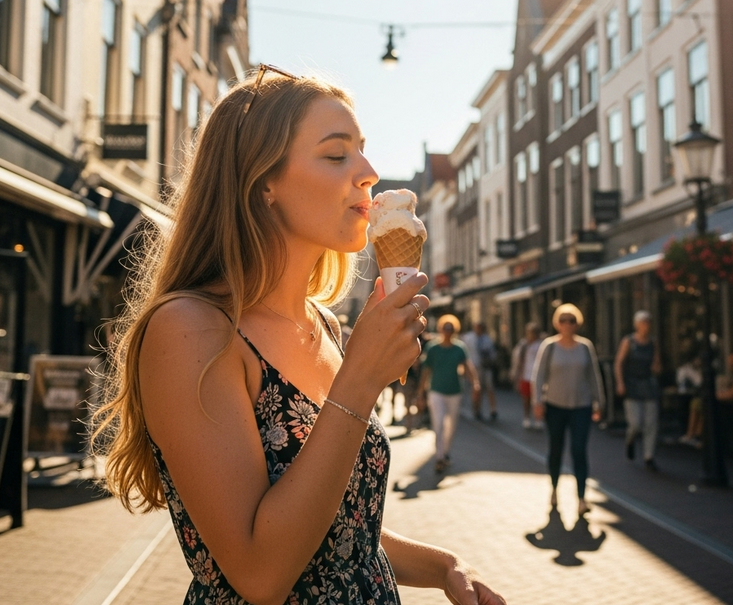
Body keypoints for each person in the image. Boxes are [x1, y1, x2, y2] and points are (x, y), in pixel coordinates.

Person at [90, 66, 505, 605]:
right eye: (337, 155)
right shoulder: (192, 329)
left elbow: (338, 528)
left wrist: (445, 566)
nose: (369, 173)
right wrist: (360, 380)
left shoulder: (324, 324)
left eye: (363, 151)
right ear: (263, 181)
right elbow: (260, 573)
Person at [531, 304, 604, 516]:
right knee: (556, 449)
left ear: (577, 323)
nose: (567, 324)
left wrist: (599, 402)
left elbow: (593, 376)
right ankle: (554, 489)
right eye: (563, 320)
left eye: (571, 320)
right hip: (555, 406)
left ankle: (581, 498)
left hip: (581, 406)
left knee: (579, 450)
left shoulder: (585, 347)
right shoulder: (549, 346)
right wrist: (538, 402)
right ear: (557, 323)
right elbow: (539, 376)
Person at [418, 314, 480, 473]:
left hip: (454, 391)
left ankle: (445, 452)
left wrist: (475, 383)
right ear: (440, 329)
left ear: (454, 330)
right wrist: (420, 393)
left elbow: (468, 366)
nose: (447, 331)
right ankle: (439, 457)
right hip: (436, 391)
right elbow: (426, 371)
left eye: (450, 328)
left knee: (451, 426)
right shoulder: (432, 348)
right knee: (438, 424)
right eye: (445, 328)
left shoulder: (459, 348)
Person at [615, 310, 662, 470]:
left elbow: (657, 364)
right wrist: (620, 382)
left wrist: (657, 367)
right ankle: (630, 440)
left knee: (651, 423)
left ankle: (649, 456)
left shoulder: (653, 342)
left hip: (648, 385)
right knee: (635, 423)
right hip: (632, 385)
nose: (645, 326)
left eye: (648, 323)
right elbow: (619, 363)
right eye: (642, 323)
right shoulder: (629, 341)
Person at [462, 322, 498, 421]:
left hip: (485, 367)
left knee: (490, 388)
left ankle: (493, 409)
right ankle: (476, 409)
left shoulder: (487, 339)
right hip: (474, 367)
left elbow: (492, 353)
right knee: (477, 389)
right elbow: (464, 353)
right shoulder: (468, 338)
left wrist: (490, 359)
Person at [511, 322, 545, 429]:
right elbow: (518, 360)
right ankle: (527, 417)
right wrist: (517, 374)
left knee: (538, 399)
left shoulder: (543, 344)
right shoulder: (523, 345)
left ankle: (538, 419)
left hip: (538, 376)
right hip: (526, 375)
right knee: (526, 399)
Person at [677, 356, 703, 448]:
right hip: (689, 394)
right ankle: (692, 435)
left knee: (697, 404)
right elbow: (681, 382)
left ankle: (694, 435)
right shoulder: (686, 369)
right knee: (695, 403)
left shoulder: (702, 370)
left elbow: (699, 382)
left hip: (699, 396)